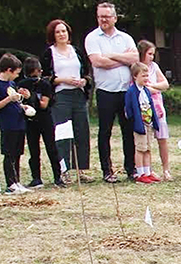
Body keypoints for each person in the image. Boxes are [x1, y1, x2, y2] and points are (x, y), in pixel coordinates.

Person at [84, 2, 137, 182]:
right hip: (106, 91)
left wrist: (111, 56)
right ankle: (107, 170)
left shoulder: (125, 38)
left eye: (107, 17)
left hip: (126, 91)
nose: (103, 20)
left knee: (128, 130)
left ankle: (131, 168)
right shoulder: (92, 38)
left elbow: (135, 59)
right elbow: (98, 62)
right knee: (105, 131)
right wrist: (122, 58)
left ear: (115, 18)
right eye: (100, 17)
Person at [42, 19, 93, 185]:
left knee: (82, 131)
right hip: (61, 96)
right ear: (53, 35)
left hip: (78, 95)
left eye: (64, 31)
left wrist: (83, 81)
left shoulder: (76, 51)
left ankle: (81, 170)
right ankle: (63, 170)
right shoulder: (49, 53)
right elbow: (44, 78)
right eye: (58, 32)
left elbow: (86, 72)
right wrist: (62, 79)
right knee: (63, 133)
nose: (61, 34)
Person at [18, 57, 64, 188]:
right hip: (30, 120)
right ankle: (36, 177)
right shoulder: (22, 84)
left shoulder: (44, 85)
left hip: (45, 119)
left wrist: (31, 97)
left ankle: (57, 176)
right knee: (33, 150)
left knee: (51, 148)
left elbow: (44, 104)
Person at [0, 54, 31, 194]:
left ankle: (17, 181)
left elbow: (15, 102)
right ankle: (10, 183)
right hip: (8, 125)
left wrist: (22, 106)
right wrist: (8, 99)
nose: (17, 76)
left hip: (19, 123)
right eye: (16, 73)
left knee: (18, 153)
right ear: (8, 70)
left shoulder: (12, 84)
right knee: (9, 154)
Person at [137, 40, 171, 180]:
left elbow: (165, 84)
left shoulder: (154, 67)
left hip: (158, 107)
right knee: (147, 141)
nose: (152, 57)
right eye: (149, 54)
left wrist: (153, 87)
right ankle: (147, 169)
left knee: (162, 139)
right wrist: (149, 89)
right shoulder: (137, 68)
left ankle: (166, 169)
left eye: (153, 54)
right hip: (145, 110)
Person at [124, 62, 161, 183]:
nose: (146, 78)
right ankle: (140, 173)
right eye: (143, 76)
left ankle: (148, 171)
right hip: (139, 125)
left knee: (148, 148)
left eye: (147, 76)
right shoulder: (132, 91)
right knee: (140, 148)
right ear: (135, 76)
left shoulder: (146, 91)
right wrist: (134, 121)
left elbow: (150, 105)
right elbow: (129, 109)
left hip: (148, 123)